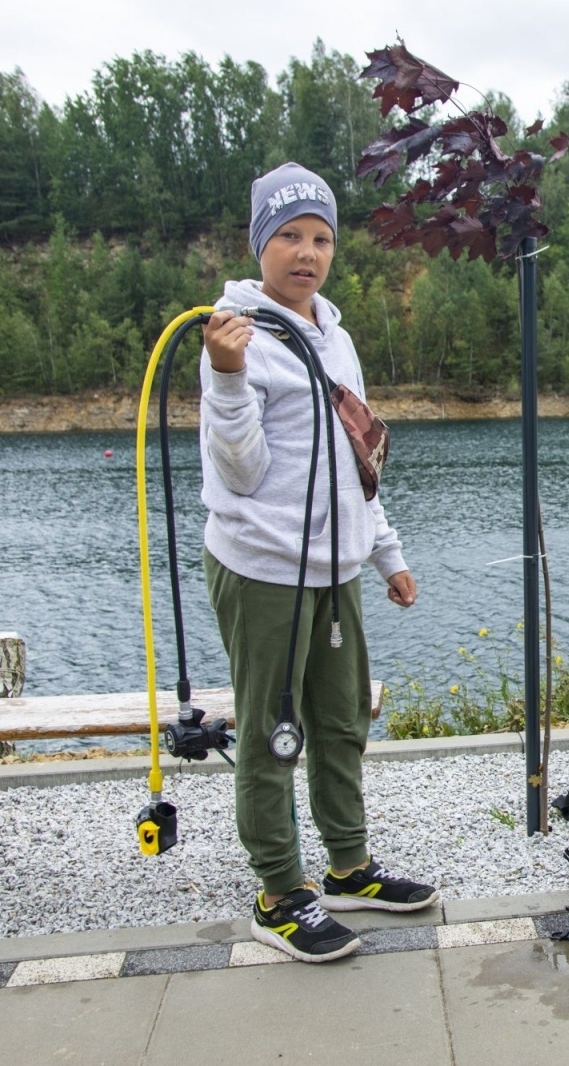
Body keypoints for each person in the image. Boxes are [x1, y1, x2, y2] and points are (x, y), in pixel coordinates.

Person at [199, 162, 438, 964]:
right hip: (263, 570)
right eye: (290, 236)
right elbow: (239, 472)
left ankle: (349, 868)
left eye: (322, 238)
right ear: (260, 242)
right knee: (272, 736)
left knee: (340, 724)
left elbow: (355, 459)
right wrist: (229, 378)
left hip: (335, 570)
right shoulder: (235, 337)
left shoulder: (335, 335)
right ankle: (278, 893)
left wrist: (384, 552)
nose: (307, 253)